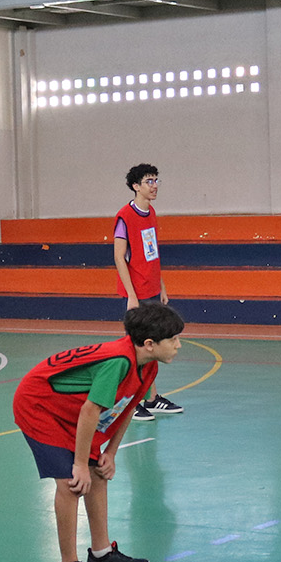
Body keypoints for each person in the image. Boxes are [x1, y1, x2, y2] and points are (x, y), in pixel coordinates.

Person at [13, 302, 184, 562]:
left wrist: (111, 453)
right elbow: (90, 411)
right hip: (40, 406)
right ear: (149, 344)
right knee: (72, 483)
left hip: (73, 412)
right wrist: (80, 464)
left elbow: (128, 407)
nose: (178, 345)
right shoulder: (118, 362)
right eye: (173, 339)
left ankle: (102, 555)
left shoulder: (148, 365)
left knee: (99, 475)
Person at [113, 162, 183, 421]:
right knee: (137, 349)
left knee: (153, 347)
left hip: (152, 289)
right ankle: (130, 402)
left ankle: (151, 399)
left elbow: (152, 253)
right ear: (136, 186)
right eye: (149, 181)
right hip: (136, 292)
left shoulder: (151, 212)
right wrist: (131, 295)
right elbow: (119, 257)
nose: (154, 186)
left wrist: (161, 285)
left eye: (156, 180)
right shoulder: (124, 216)